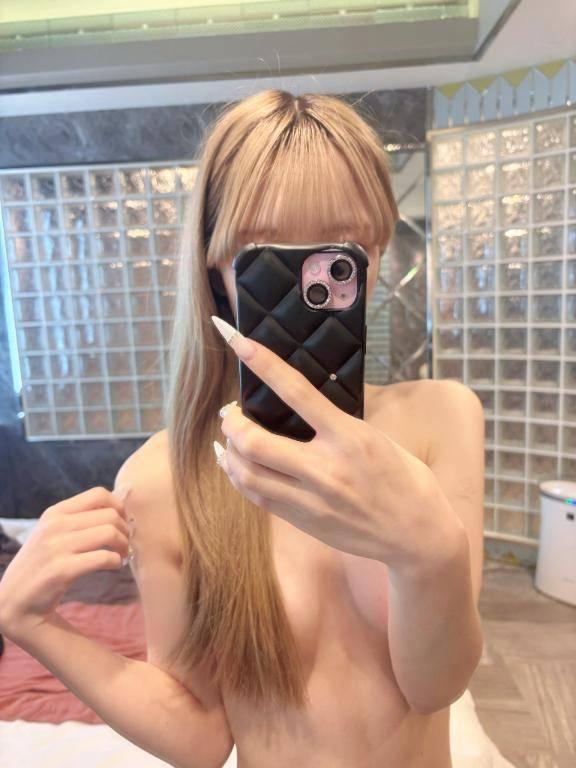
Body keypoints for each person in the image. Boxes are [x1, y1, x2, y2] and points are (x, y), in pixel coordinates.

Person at [0, 89, 486, 767]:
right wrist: (31, 624)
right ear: (217, 265)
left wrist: (429, 554)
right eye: (265, 253)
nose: (304, 282)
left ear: (375, 247)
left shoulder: (440, 419)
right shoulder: (166, 477)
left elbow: (436, 685)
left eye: (336, 249)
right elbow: (199, 736)